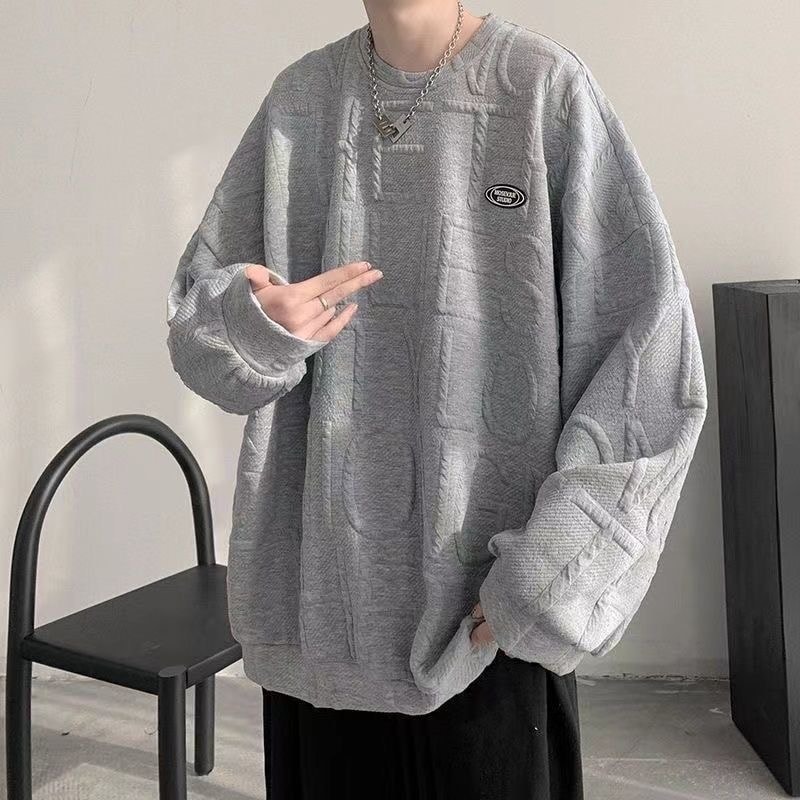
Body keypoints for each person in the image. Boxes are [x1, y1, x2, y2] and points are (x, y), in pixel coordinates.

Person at [165, 1, 708, 797]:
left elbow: (650, 367)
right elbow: (199, 336)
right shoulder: (300, 101)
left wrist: (546, 578)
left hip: (485, 626)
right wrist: (254, 324)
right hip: (321, 623)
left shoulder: (541, 88)